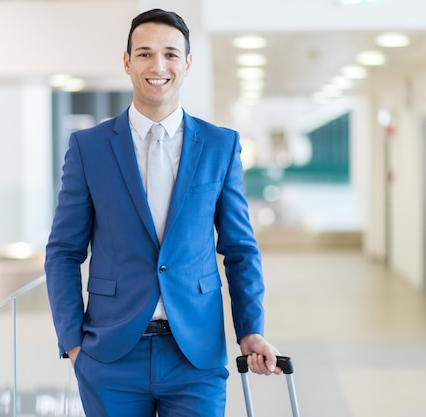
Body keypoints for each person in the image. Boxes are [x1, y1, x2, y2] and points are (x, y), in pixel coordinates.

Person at [45, 8, 281, 417]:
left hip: (195, 356)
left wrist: (251, 331)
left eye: (171, 54)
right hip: (111, 357)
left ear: (188, 64)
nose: (158, 66)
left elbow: (240, 249)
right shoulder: (89, 148)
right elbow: (63, 251)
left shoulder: (220, 145)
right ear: (127, 62)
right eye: (145, 53)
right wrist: (73, 344)